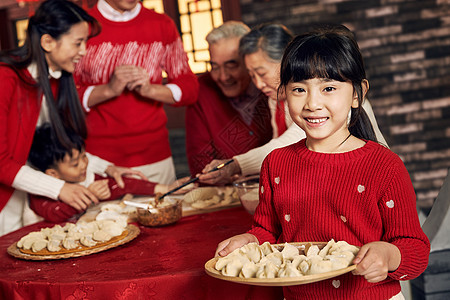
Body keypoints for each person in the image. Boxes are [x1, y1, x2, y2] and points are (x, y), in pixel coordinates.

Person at [214, 25, 430, 299]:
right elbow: (269, 231)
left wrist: (388, 255)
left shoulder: (384, 165)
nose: (312, 103)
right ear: (284, 93)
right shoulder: (276, 163)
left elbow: (415, 249)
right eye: (299, 90)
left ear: (356, 94)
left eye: (328, 88)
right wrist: (251, 240)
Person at [0, 0, 146, 236]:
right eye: (78, 43)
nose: (84, 51)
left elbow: (57, 146)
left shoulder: (56, 80)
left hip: (31, 200)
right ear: (47, 42)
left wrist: (107, 168)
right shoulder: (6, 78)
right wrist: (61, 189)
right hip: (6, 203)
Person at [199, 23, 388, 186]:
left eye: (262, 73)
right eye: (251, 75)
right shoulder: (276, 100)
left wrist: (236, 164)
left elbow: (289, 143)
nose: (257, 83)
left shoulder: (336, 101)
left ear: (286, 61)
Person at [74, 0, 199, 185]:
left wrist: (150, 90)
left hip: (155, 159)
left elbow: (190, 88)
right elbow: (61, 96)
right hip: (100, 162)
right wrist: (108, 90)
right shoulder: (81, 26)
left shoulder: (162, 24)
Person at [28, 124, 190, 223]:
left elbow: (124, 185)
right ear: (52, 174)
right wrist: (89, 196)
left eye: (84, 156)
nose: (84, 164)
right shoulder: (40, 190)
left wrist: (167, 187)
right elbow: (53, 214)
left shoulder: (91, 176)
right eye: (75, 163)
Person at [185, 21, 273, 177]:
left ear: (248, 61)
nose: (223, 77)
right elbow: (200, 164)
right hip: (227, 193)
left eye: (232, 65)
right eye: (215, 67)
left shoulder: (270, 86)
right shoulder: (202, 90)